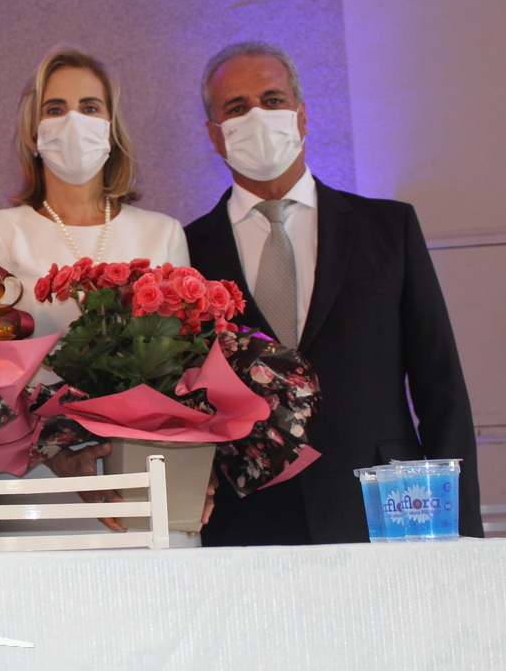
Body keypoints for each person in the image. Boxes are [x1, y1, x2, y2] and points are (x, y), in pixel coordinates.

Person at [185, 41, 483, 545]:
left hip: (384, 511)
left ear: (302, 116)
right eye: (236, 107)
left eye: (273, 100)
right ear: (215, 135)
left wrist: (463, 537)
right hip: (246, 524)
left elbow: (442, 389)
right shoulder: (186, 253)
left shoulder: (388, 229)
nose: (258, 116)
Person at [0, 46, 190, 536]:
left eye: (90, 107)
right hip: (34, 480)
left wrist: (197, 467)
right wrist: (57, 452)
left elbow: (185, 372)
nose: (73, 121)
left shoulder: (163, 233)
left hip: (142, 472)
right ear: (33, 132)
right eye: (55, 108)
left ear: (111, 127)